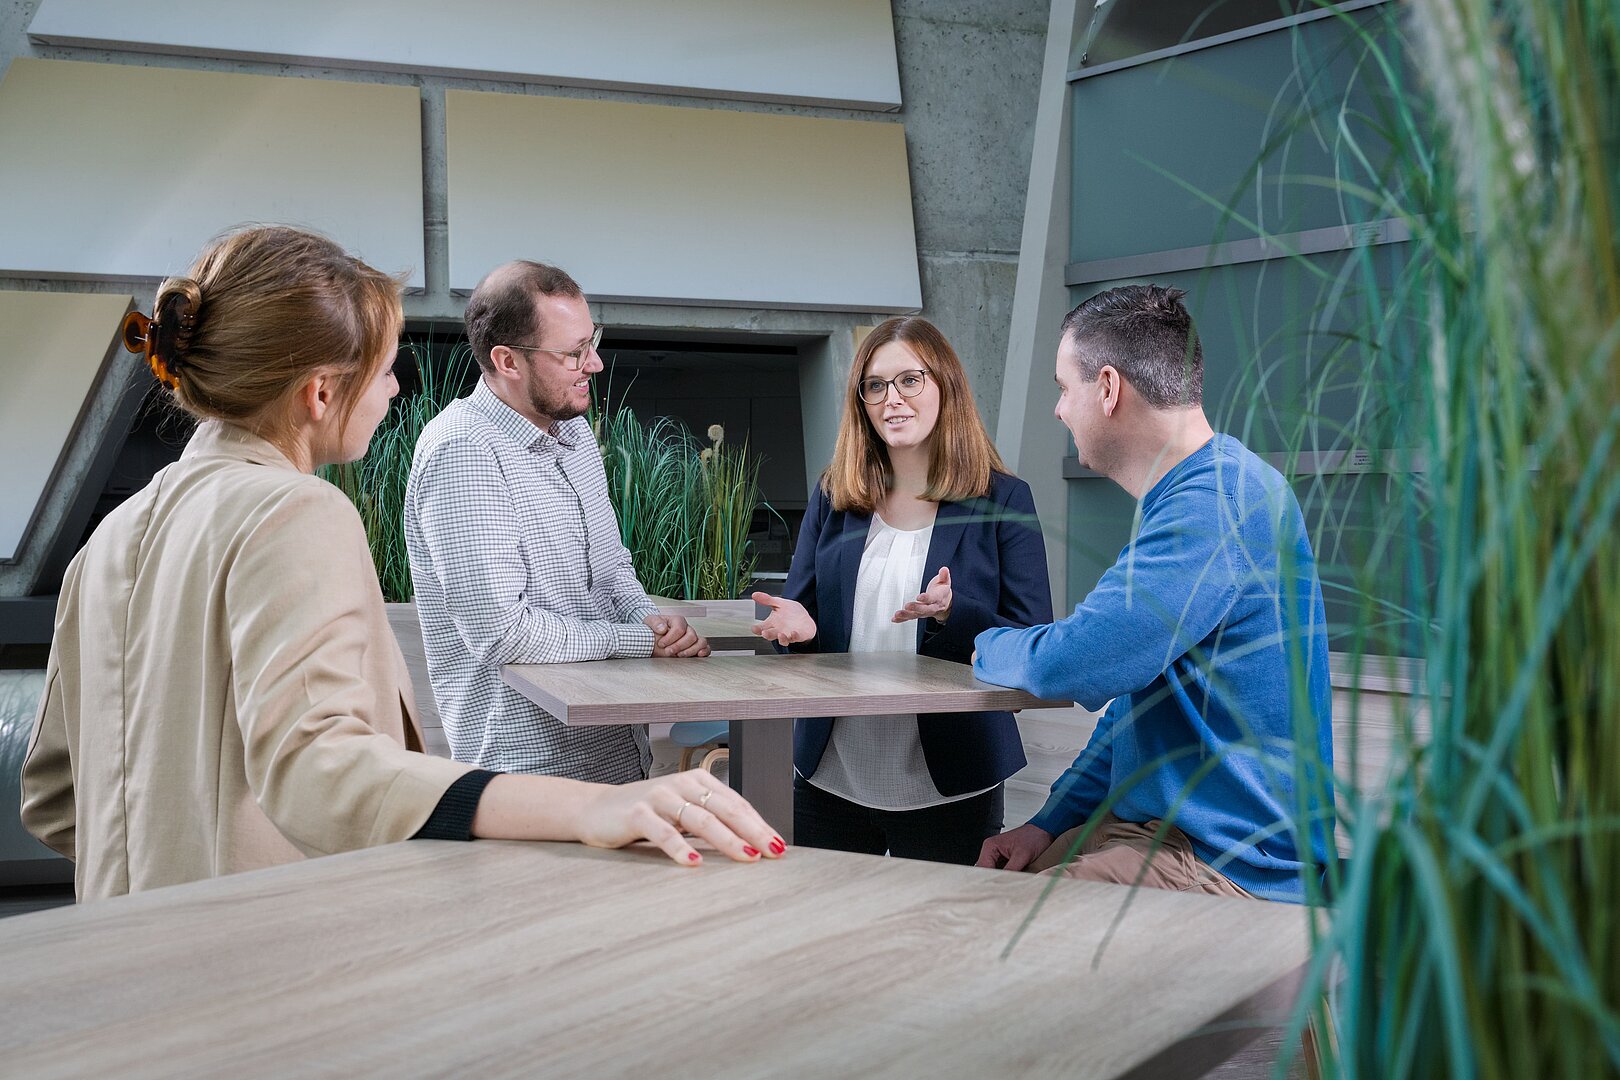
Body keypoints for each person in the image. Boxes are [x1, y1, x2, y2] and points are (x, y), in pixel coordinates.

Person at [20, 227, 782, 902]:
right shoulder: (296, 511)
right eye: (386, 371)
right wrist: (582, 806)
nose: (394, 390)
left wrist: (163, 872)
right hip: (256, 955)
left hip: (129, 943)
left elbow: (55, 797)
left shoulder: (109, 539)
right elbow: (319, 768)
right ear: (320, 393)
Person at [972, 284, 1332, 903]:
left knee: (993, 928)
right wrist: (1046, 823)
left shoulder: (1213, 504)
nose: (1059, 411)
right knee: (978, 888)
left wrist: (983, 642)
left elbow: (1072, 661)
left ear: (1108, 389)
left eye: (1064, 388)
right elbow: (1137, 709)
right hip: (1162, 835)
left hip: (1227, 863)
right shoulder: (1199, 493)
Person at [752, 317, 1052, 865]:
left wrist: (953, 614)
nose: (892, 399)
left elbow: (1031, 632)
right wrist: (794, 632)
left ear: (946, 386)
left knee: (939, 942)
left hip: (953, 776)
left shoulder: (1003, 499)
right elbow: (800, 619)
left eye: (910, 380)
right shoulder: (833, 495)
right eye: (875, 385)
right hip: (831, 774)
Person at [404, 261, 709, 784]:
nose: (594, 364)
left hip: (614, 750)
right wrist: (637, 640)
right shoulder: (463, 451)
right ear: (507, 361)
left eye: (592, 341)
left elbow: (611, 569)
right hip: (527, 770)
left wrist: (654, 624)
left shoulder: (575, 435)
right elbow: (503, 634)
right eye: (572, 353)